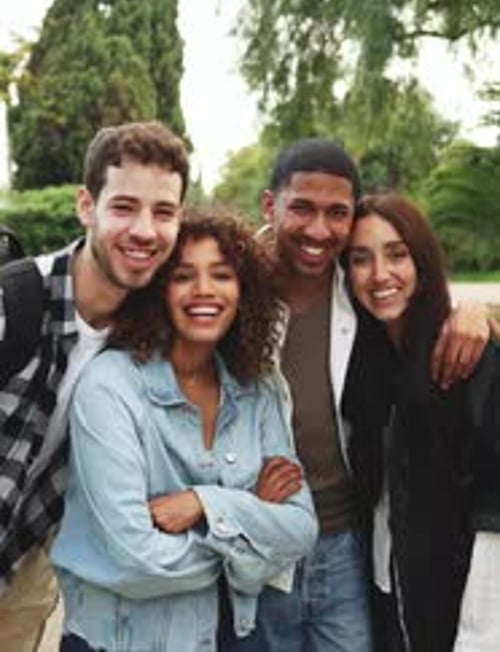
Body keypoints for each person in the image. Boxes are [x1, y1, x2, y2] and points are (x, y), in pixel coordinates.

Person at [248, 138, 491, 652]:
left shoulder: (363, 301)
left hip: (349, 547)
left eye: (336, 213)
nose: (319, 231)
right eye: (302, 209)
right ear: (271, 207)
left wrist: (479, 316)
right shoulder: (236, 294)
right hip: (262, 544)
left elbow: (413, 295)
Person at [50, 210, 318, 652]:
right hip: (122, 639)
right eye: (183, 276)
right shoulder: (110, 387)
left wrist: (205, 504)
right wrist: (251, 525)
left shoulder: (261, 384)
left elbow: (301, 528)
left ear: (244, 290)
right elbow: (134, 558)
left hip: (231, 633)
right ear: (157, 289)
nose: (205, 291)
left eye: (222, 275)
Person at [0, 120, 190, 652]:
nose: (145, 231)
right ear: (87, 207)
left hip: (21, 571)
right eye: (125, 207)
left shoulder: (148, 331)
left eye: (164, 212)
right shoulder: (15, 302)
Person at [344, 192, 500, 651]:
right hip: (387, 591)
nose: (380, 275)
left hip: (463, 611)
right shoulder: (362, 362)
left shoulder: (468, 359)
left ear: (423, 262)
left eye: (397, 255)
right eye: (360, 259)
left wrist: (480, 634)